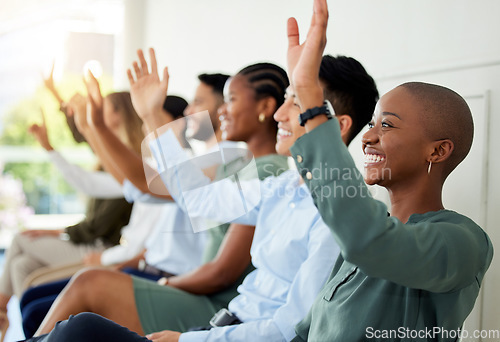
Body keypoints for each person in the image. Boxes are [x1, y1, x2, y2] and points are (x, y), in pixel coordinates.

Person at [28, 50, 379, 342]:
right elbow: (192, 197)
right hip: (220, 324)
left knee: (80, 325)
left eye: (295, 102)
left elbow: (287, 327)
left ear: (338, 124)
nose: (279, 115)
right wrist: (151, 114)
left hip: (224, 328)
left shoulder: (340, 214)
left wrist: (186, 338)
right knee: (73, 326)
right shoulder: (282, 185)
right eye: (285, 100)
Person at [282, 0, 493, 340]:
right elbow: (309, 330)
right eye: (370, 124)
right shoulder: (365, 231)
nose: (367, 137)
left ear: (438, 150)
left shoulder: (464, 243)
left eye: (388, 126)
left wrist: (309, 95)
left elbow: (369, 241)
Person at [19, 95, 193, 339]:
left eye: (152, 115)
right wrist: (88, 127)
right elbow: (102, 183)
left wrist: (92, 126)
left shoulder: (190, 171)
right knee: (31, 298)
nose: (146, 122)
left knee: (37, 308)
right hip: (138, 263)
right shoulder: (154, 167)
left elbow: (149, 246)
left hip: (148, 269)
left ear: (178, 122)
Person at [0, 90, 143, 340]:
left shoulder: (134, 164)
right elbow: (83, 138)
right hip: (95, 244)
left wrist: (53, 231)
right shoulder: (109, 157)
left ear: (121, 115)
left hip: (100, 247)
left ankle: (2, 312)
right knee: (22, 265)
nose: (95, 114)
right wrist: (57, 95)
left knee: (21, 240)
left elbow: (98, 223)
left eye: (103, 109)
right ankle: (38, 337)